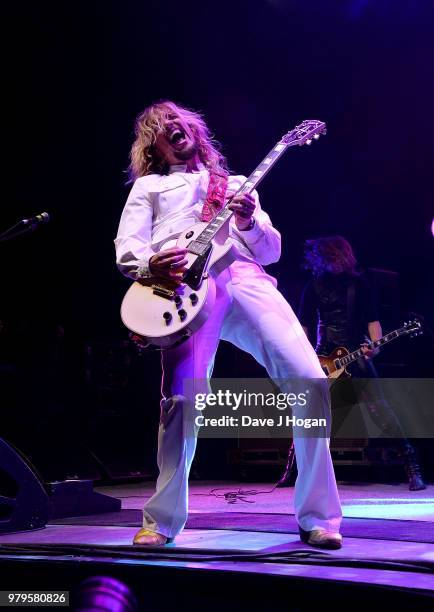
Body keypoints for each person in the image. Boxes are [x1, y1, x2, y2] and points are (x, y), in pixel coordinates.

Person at [115, 101, 342, 549]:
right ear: (154, 146)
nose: (172, 128)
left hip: (242, 275)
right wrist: (150, 263)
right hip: (183, 291)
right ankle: (161, 521)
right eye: (160, 128)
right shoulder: (150, 187)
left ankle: (317, 517)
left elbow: (272, 251)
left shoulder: (237, 184)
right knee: (181, 400)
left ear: (195, 129)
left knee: (310, 381)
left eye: (177, 120)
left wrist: (248, 219)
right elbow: (128, 249)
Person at [298, 235, 425, 491]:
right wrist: (306, 356)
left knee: (382, 412)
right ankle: (300, 472)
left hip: (356, 354)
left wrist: (374, 348)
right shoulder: (313, 286)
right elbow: (303, 326)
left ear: (333, 255)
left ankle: (412, 468)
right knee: (311, 415)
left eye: (321, 256)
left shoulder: (359, 284)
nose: (317, 261)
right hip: (323, 358)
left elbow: (373, 322)